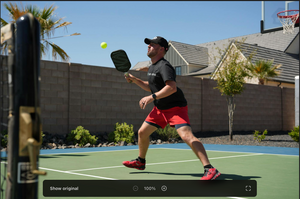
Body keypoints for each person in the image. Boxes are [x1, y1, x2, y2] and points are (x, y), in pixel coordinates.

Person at [122, 36, 221, 180]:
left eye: (153, 44)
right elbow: (152, 87)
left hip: (175, 108)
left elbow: (171, 88)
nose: (149, 46)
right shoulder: (152, 67)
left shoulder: (164, 66)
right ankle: (140, 162)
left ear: (162, 49)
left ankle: (210, 169)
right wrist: (135, 80)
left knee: (187, 136)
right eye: (148, 44)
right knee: (142, 132)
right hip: (160, 109)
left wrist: (152, 97)